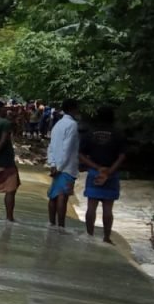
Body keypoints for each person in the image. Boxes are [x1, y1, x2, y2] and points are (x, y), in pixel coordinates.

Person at [79, 105, 127, 244]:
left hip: (95, 172)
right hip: (112, 174)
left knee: (91, 207)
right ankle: (106, 237)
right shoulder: (118, 134)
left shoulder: (90, 133)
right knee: (108, 208)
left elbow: (81, 154)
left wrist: (97, 168)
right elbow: (122, 156)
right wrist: (109, 171)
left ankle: (89, 235)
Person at [46, 98, 80, 228]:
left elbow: (51, 146)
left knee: (54, 195)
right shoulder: (72, 125)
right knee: (62, 196)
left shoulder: (58, 124)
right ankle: (61, 226)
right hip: (66, 167)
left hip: (56, 165)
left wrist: (53, 164)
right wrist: (59, 167)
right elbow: (68, 148)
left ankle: (52, 223)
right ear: (73, 109)